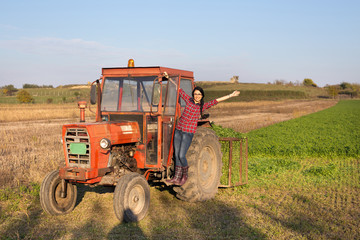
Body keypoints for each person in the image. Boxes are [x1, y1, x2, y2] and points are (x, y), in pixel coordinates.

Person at [163, 72, 240, 186]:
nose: (197, 95)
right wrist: (169, 78)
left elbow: (216, 100)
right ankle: (176, 177)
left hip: (188, 133)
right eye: (195, 94)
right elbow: (178, 89)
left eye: (199, 94)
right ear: (193, 94)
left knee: (181, 155)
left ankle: (185, 175)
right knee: (176, 154)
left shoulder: (202, 106)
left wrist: (230, 95)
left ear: (202, 96)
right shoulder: (188, 100)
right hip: (179, 130)